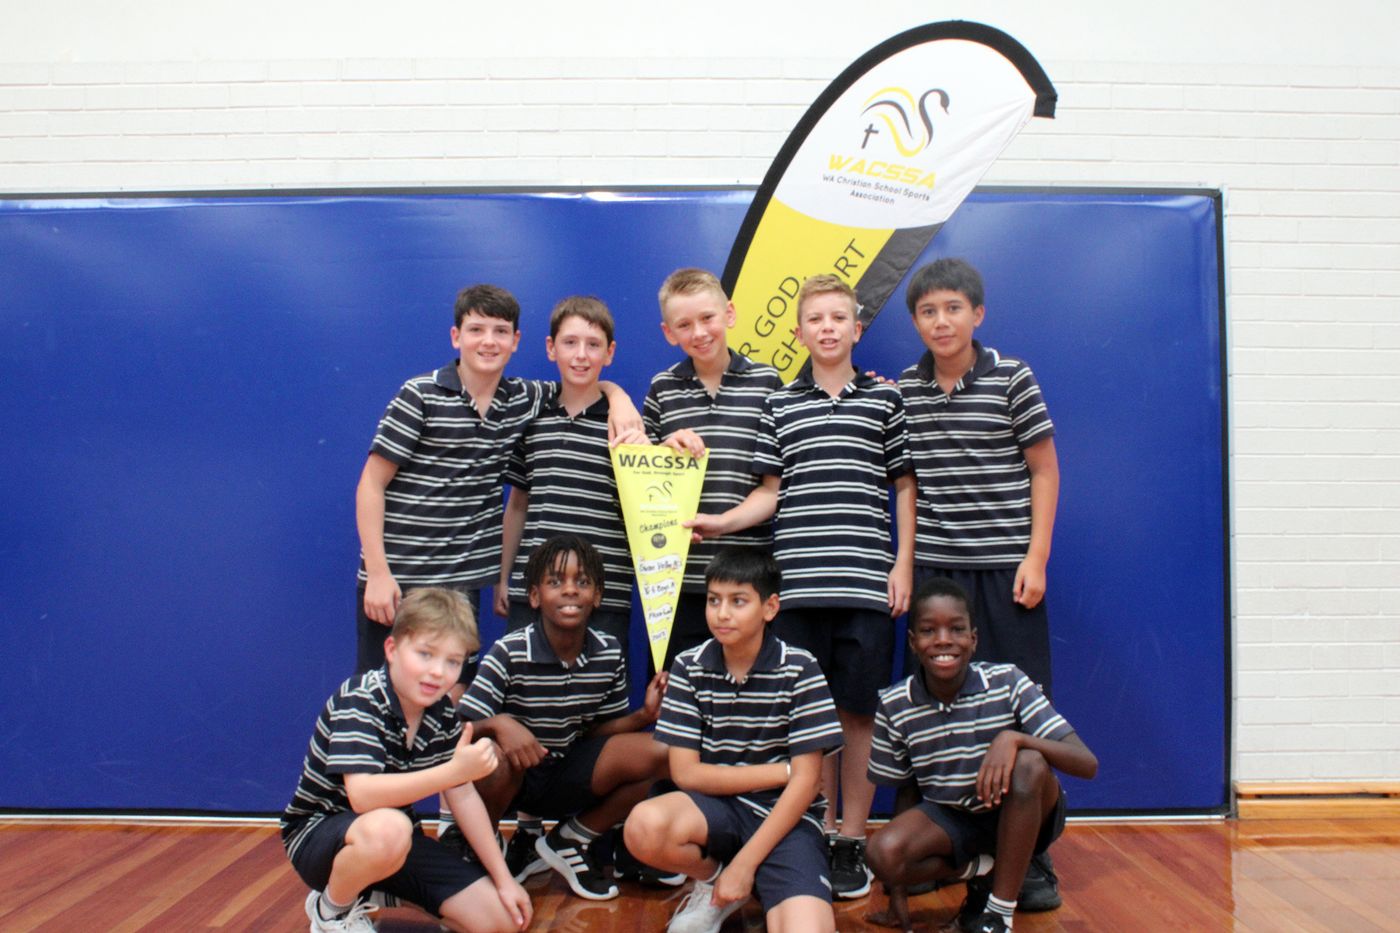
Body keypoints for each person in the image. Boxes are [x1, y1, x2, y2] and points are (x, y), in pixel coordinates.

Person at [687, 274, 916, 898]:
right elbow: (770, 493)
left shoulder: (885, 400)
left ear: (856, 328)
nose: (827, 328)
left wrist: (903, 566)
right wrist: (722, 523)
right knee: (811, 721)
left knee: (859, 714)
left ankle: (851, 837)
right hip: (796, 587)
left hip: (865, 586)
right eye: (815, 319)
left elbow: (904, 487)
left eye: (838, 318)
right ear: (799, 332)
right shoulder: (780, 404)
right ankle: (816, 827)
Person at [355, 283, 641, 679]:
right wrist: (377, 573)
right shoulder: (420, 395)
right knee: (383, 688)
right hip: (399, 581)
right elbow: (371, 484)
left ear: (515, 340)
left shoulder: (523, 400)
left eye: (500, 331)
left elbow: (585, 383)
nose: (489, 341)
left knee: (452, 692)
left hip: (464, 586)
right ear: (456, 336)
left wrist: (618, 396)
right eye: (476, 329)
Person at [897, 257, 1063, 907]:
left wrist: (1036, 556)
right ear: (916, 321)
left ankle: (1033, 859)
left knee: (1022, 716)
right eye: (928, 311)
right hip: (938, 577)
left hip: (1006, 573)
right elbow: (908, 485)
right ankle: (940, 851)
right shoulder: (904, 390)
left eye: (953, 308)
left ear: (977, 314)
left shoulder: (1012, 377)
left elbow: (1044, 470)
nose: (941, 321)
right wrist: (907, 564)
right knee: (934, 714)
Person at [281, 588, 531, 933]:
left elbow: (462, 794)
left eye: (453, 661)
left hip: (396, 844)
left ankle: (372, 890)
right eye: (425, 654)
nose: (437, 672)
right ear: (392, 650)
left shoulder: (442, 713)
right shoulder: (361, 698)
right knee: (390, 829)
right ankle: (331, 912)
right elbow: (363, 796)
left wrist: (504, 880)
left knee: (501, 921)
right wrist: (452, 771)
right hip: (322, 838)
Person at [623, 546, 843, 933]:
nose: (722, 613)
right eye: (714, 600)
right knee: (643, 825)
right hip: (715, 811)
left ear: (770, 607)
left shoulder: (800, 668)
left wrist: (745, 864)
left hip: (785, 819)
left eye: (738, 601)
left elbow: (807, 784)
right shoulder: (688, 666)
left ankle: (747, 878)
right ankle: (714, 884)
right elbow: (686, 774)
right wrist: (783, 772)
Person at [865, 577, 1097, 933]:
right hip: (954, 817)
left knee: (1030, 762)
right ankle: (984, 867)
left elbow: (1086, 763)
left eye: (957, 629)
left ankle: (998, 915)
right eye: (928, 630)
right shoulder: (895, 704)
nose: (943, 640)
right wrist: (898, 894)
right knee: (881, 852)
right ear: (912, 642)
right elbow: (906, 791)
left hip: (1024, 811)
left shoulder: (1007, 681)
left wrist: (1015, 739)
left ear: (974, 639)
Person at [461, 534, 675, 900]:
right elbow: (458, 728)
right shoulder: (509, 651)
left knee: (667, 752)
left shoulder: (608, 652)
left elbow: (600, 734)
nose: (570, 590)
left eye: (582, 581)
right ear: (534, 596)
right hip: (515, 780)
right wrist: (499, 724)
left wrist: (644, 715)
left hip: (567, 774)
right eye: (555, 581)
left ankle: (570, 838)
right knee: (490, 756)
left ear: (597, 596)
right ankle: (483, 848)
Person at [643, 268, 783, 670]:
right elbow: (641, 486)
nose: (699, 332)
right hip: (677, 581)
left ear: (730, 314)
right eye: (684, 324)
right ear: (669, 332)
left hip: (748, 579)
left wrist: (721, 523)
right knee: (676, 689)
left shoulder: (767, 383)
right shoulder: (662, 389)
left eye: (708, 318)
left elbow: (772, 488)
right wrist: (663, 452)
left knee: (752, 688)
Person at [495, 296, 642, 660]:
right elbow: (517, 505)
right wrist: (503, 578)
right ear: (551, 348)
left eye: (593, 345)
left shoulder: (628, 426)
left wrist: (617, 395)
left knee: (601, 688)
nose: (581, 355)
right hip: (534, 589)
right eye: (570, 342)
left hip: (605, 594)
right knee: (525, 682)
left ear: (609, 353)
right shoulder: (532, 420)